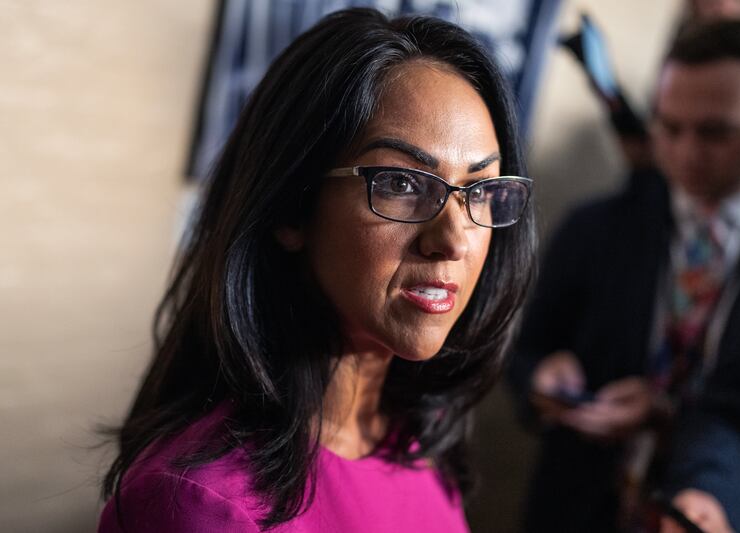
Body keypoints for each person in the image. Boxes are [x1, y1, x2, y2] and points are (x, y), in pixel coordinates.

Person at [98, 8, 535, 532]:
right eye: (400, 184)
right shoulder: (201, 503)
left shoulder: (414, 443)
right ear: (291, 206)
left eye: (480, 191)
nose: (452, 240)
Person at [511, 18, 740, 533]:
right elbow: (524, 349)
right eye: (668, 127)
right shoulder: (596, 226)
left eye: (716, 132)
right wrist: (542, 379)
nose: (686, 153)